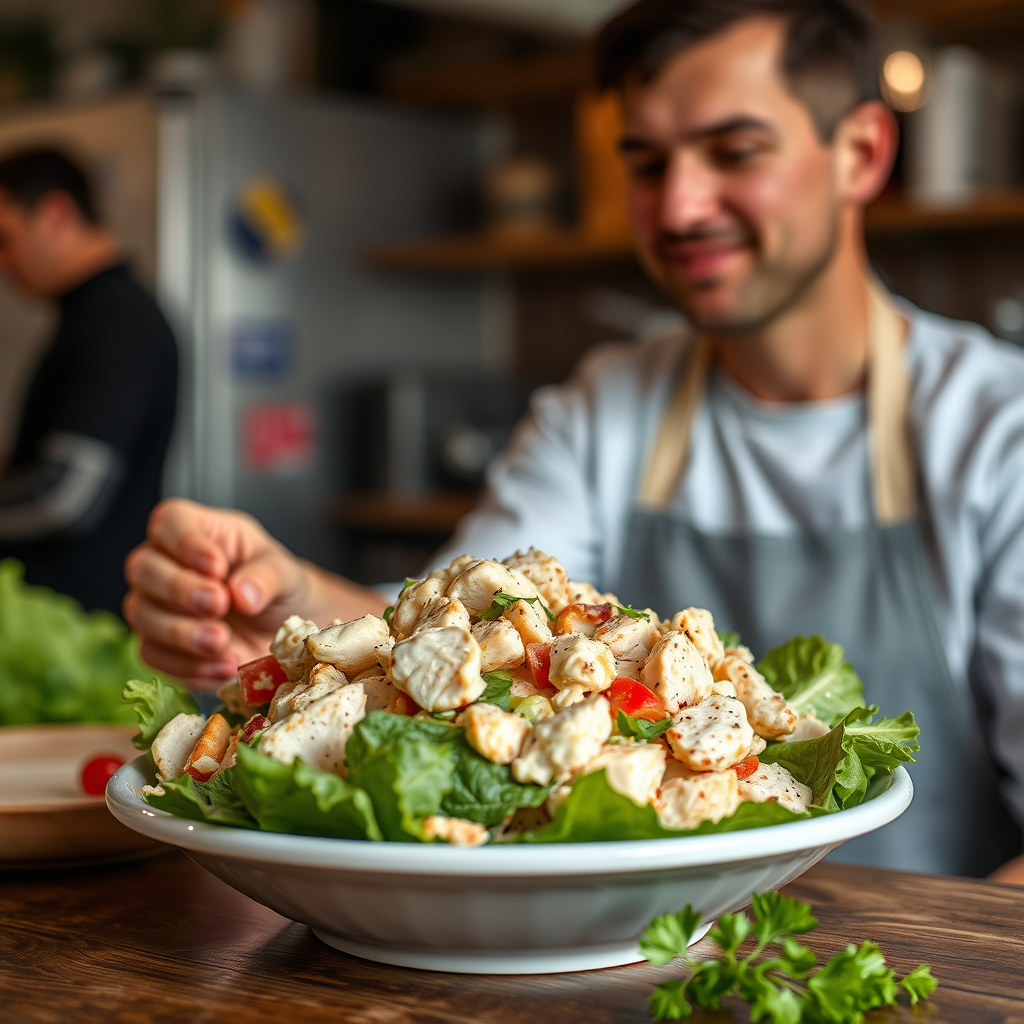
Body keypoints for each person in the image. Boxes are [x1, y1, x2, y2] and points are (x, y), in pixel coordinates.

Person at [122, 0, 1024, 883]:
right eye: (646, 162)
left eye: (734, 151)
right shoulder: (607, 403)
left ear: (860, 153)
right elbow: (464, 639)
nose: (679, 204)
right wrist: (286, 605)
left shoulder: (996, 429)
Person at [0, 148, 178, 614]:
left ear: (55, 213)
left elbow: (65, 495)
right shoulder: (94, 313)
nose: (3, 262)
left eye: (5, 238)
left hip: (81, 624)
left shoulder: (114, 320)